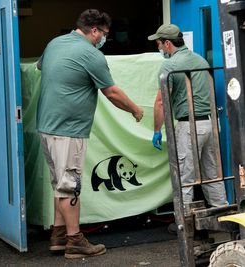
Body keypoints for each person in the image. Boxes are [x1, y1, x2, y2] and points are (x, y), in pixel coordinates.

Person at [36, 9, 144, 259]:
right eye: (104, 34)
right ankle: (75, 241)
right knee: (70, 186)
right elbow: (112, 93)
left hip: (47, 126)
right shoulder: (90, 54)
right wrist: (136, 110)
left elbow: (43, 67)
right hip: (69, 130)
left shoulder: (55, 43)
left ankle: (59, 235)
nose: (104, 38)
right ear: (94, 30)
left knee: (59, 184)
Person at [147, 24, 228, 231]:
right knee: (214, 174)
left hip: (189, 125)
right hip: (209, 124)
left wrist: (157, 130)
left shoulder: (169, 66)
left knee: (185, 178)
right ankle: (223, 217)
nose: (159, 49)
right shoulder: (200, 59)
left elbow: (161, 102)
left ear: (167, 43)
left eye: (159, 44)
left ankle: (184, 224)